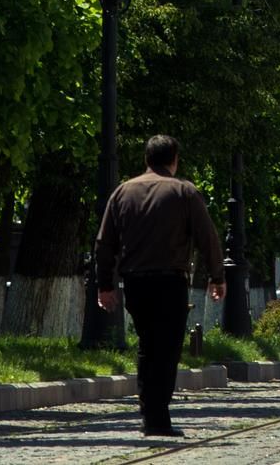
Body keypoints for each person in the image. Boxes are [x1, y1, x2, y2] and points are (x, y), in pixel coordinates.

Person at [93, 135, 225, 438]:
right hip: (170, 282)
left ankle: (149, 411)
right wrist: (217, 277)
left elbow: (104, 243)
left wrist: (105, 285)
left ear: (147, 160)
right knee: (165, 349)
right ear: (174, 160)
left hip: (136, 283)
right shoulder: (184, 191)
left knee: (147, 345)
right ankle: (157, 417)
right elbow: (208, 238)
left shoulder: (122, 192)